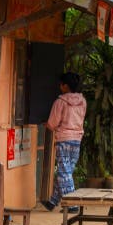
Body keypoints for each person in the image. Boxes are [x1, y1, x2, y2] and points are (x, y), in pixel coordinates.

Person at [42, 72, 86, 212]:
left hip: (63, 139)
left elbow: (52, 124)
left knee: (64, 172)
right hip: (77, 139)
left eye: (61, 84)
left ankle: (72, 205)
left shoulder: (60, 102)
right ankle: (53, 201)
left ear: (65, 86)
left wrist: (46, 124)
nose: (59, 87)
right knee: (66, 171)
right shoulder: (83, 101)